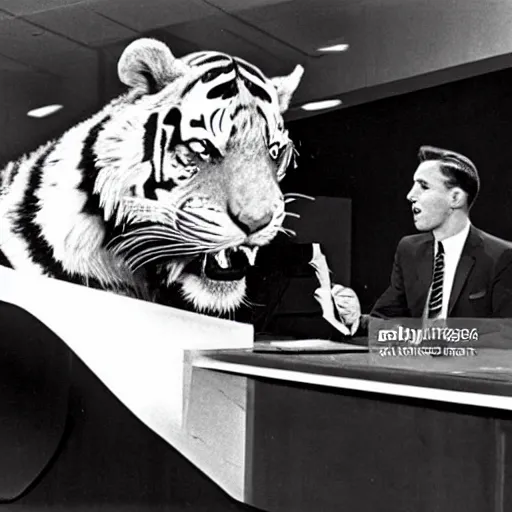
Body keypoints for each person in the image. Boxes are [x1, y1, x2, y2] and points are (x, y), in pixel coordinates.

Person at [333, 145, 512, 332]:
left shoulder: (502, 257)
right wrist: (355, 319)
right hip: (414, 361)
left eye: (424, 186)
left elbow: (506, 336)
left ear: (456, 198)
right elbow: (387, 319)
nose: (411, 195)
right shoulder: (409, 249)